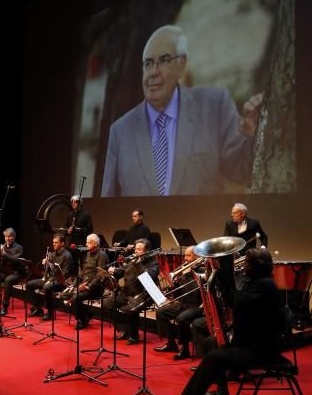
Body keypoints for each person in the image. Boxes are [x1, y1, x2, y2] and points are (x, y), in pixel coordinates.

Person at [101, 24, 264, 196]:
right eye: (148, 64)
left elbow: (244, 172)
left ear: (181, 64)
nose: (153, 72)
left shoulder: (214, 106)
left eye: (163, 60)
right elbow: (109, 202)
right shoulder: (120, 131)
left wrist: (254, 136)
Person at [159, 248, 282, 395]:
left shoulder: (264, 285)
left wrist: (223, 281)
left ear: (256, 266)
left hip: (260, 349)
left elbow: (236, 302)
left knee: (213, 357)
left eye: (247, 263)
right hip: (250, 341)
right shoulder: (255, 281)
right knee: (212, 343)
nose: (243, 266)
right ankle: (222, 393)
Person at [102, 238, 158, 344]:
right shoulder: (132, 260)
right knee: (106, 304)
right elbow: (122, 273)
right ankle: (124, 328)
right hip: (126, 292)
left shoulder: (153, 263)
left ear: (147, 251)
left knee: (130, 309)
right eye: (136, 249)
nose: (136, 251)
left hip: (141, 294)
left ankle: (133, 335)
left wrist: (139, 263)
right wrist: (114, 271)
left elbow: (150, 276)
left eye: (139, 249)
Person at [153, 246, 203, 359]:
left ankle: (184, 348)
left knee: (182, 318)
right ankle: (171, 343)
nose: (185, 258)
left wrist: (190, 274)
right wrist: (173, 284)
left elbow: (198, 293)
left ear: (197, 256)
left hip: (197, 305)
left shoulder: (202, 271)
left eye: (188, 255)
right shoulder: (184, 270)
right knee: (161, 311)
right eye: (184, 255)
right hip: (184, 303)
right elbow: (178, 294)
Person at [25, 233, 74, 320]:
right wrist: (45, 264)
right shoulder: (52, 254)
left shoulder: (68, 256)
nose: (53, 244)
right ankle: (38, 308)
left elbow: (65, 274)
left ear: (62, 243)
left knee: (47, 287)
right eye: (53, 242)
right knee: (29, 284)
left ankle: (50, 313)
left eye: (56, 242)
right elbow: (47, 271)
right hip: (50, 279)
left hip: (61, 282)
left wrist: (50, 280)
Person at [69, 233, 109, 329]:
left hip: (95, 288)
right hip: (85, 285)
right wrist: (74, 284)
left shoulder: (102, 255)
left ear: (95, 244)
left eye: (88, 242)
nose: (86, 244)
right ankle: (88, 313)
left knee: (75, 298)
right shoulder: (88, 254)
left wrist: (89, 286)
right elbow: (82, 272)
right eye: (86, 242)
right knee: (66, 294)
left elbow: (100, 276)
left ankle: (82, 321)